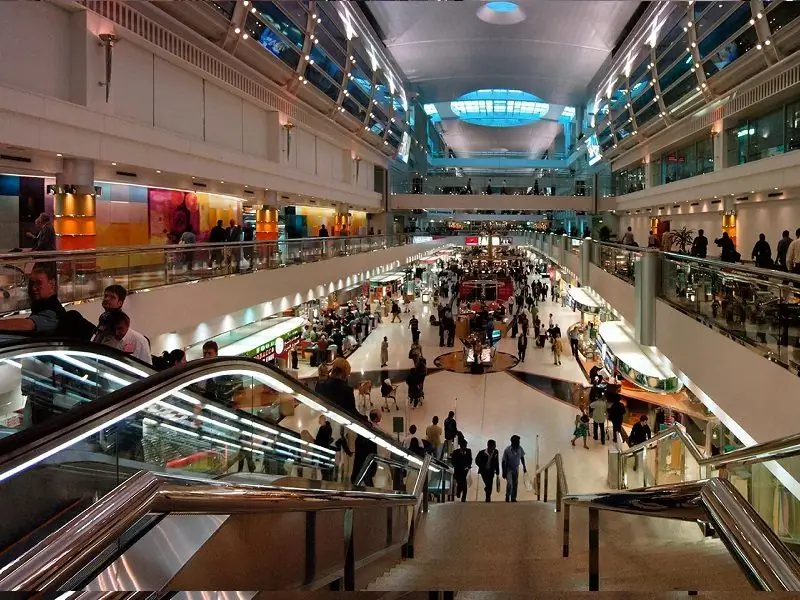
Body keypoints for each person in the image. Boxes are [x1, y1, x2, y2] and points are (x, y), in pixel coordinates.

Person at [0, 267, 64, 337]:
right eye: (31, 284)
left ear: (52, 285)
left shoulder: (53, 312)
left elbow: (29, 325)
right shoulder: (41, 307)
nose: (33, 288)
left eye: (38, 283)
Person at [501, 435, 527, 503]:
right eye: (517, 441)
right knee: (509, 483)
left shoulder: (520, 448)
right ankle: (507, 495)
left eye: (519, 441)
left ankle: (513, 498)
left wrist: (524, 466)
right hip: (508, 468)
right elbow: (503, 461)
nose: (518, 443)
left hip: (516, 468)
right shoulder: (507, 450)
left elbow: (522, 457)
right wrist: (503, 472)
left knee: (515, 484)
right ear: (512, 442)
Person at [450, 437, 473, 502]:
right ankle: (458, 491)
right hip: (457, 470)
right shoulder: (456, 452)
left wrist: (469, 466)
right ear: (461, 446)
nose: (465, 447)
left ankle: (463, 498)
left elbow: (470, 459)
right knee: (459, 482)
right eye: (464, 446)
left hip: (465, 470)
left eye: (465, 446)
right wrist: (455, 466)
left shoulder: (468, 451)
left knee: (464, 483)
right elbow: (453, 461)